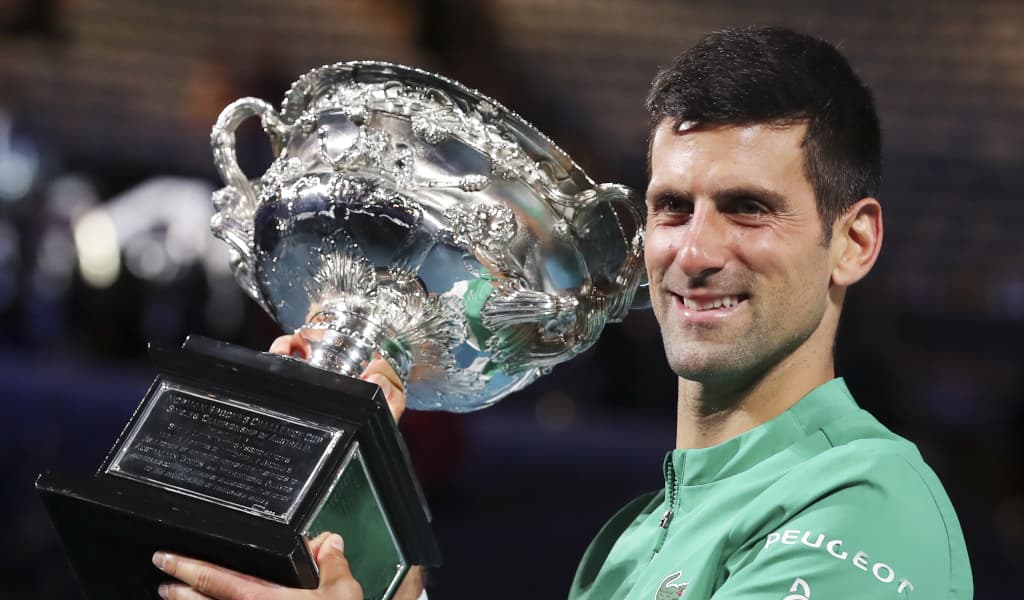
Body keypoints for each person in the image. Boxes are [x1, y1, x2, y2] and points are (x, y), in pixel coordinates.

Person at [149, 25, 972, 600]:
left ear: (853, 242)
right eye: (674, 207)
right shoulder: (631, 543)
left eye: (749, 209)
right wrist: (362, 511)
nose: (695, 251)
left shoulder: (862, 507)